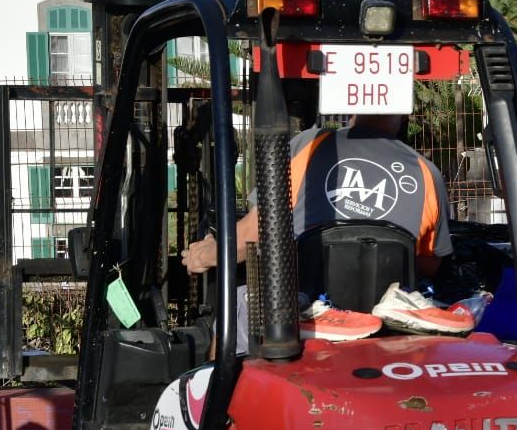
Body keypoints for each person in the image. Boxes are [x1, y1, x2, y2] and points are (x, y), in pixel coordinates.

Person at [182, 113, 465, 341]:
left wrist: (204, 255)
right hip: (387, 318)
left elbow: (254, 234)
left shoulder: (310, 145)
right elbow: (428, 264)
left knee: (238, 305)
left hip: (303, 309)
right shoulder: (427, 172)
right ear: (405, 113)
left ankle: (217, 394)